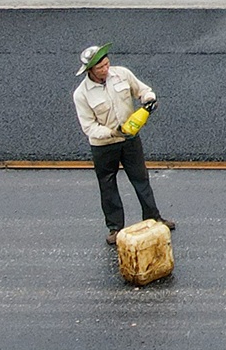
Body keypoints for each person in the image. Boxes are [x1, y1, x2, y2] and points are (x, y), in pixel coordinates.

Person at [71, 44, 172, 246]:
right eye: (100, 67)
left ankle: (154, 218)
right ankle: (115, 228)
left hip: (130, 140)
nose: (106, 69)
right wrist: (112, 132)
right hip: (104, 145)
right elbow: (89, 127)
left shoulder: (122, 74)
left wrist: (149, 100)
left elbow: (142, 90)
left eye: (107, 64)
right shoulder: (81, 94)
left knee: (141, 179)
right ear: (90, 70)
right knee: (107, 185)